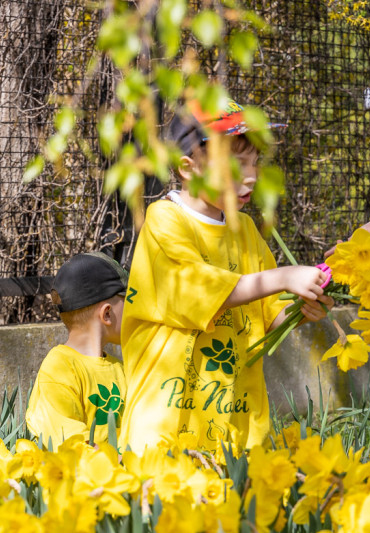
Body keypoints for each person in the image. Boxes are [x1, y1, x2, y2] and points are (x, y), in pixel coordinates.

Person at [120, 100, 333, 453]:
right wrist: (283, 277)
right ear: (188, 168)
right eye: (236, 164)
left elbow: (268, 318)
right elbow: (197, 290)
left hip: (236, 423)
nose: (250, 175)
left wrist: (302, 309)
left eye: (253, 163)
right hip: (166, 421)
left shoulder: (245, 228)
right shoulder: (164, 220)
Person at [26, 252, 127, 448]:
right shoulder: (58, 368)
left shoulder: (121, 368)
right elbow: (68, 439)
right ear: (107, 314)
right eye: (128, 300)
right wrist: (118, 460)